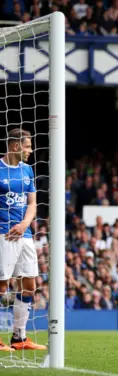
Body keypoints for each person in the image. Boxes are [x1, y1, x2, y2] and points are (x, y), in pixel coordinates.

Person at [0, 129, 46, 352]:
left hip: (24, 234)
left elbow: (32, 203)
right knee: (2, 284)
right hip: (3, 234)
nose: (31, 150)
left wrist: (25, 224)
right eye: (28, 146)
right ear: (16, 146)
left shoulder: (27, 170)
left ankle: (19, 337)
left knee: (29, 284)